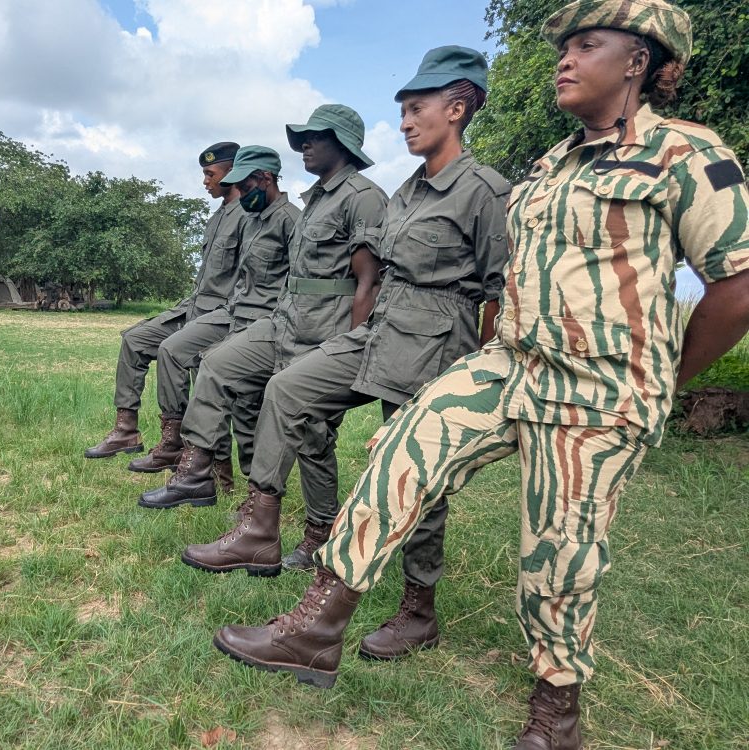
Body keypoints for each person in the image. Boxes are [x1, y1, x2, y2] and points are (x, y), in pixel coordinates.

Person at [210, 3, 749, 749]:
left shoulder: (690, 156)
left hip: (601, 388)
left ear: (638, 62)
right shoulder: (551, 164)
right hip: (512, 365)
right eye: (564, 45)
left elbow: (737, 285)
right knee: (399, 450)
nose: (564, 59)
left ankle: (556, 712)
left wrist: (658, 380)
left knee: (558, 552)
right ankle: (317, 625)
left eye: (586, 44)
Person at [176, 49, 510, 662]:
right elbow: (377, 279)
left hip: (436, 344)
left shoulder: (484, 191)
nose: (406, 122)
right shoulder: (408, 192)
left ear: (457, 110)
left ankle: (418, 609)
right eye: (403, 111)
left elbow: (498, 290)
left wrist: (476, 369)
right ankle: (259, 529)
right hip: (380, 330)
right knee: (288, 388)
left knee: (416, 477)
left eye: (417, 109)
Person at [138, 104, 389, 512]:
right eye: (303, 138)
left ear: (340, 143)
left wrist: (349, 351)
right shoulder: (316, 201)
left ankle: (317, 530)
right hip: (284, 321)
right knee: (217, 364)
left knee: (312, 434)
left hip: (324, 331)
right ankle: (196, 474)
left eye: (315, 137)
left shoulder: (363, 198)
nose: (304, 145)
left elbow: (369, 282)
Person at [130, 145, 300, 494]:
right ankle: (212, 476)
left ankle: (255, 496)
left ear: (265, 179)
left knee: (248, 410)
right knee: (217, 387)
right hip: (234, 316)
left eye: (247, 185)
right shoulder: (253, 220)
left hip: (264, 324)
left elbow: (294, 284)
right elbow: (239, 280)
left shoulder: (290, 221)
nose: (242, 193)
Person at [84, 142, 243, 463]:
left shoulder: (247, 217)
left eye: (210, 174)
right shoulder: (218, 216)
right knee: (135, 339)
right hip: (193, 305)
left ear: (232, 171)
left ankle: (206, 466)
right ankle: (127, 430)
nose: (205, 181)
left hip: (221, 314)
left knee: (205, 386)